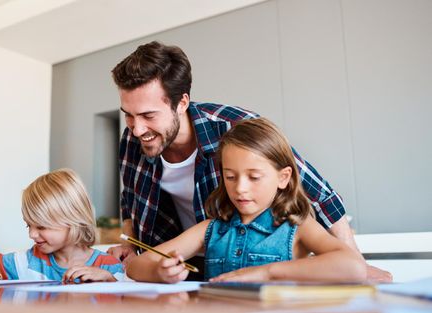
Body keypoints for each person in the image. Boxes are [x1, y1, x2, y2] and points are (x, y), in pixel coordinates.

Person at [109, 41, 391, 282]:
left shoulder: (235, 128)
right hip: (182, 269)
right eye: (128, 115)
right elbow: (130, 198)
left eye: (148, 116)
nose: (136, 129)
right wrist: (130, 243)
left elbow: (317, 192)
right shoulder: (132, 139)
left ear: (181, 103)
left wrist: (355, 264)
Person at [126, 118, 366, 283]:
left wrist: (269, 273)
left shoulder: (298, 227)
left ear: (283, 178)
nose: (240, 188)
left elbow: (353, 266)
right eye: (230, 177)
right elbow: (137, 265)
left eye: (254, 177)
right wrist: (159, 271)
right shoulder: (211, 229)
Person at [0, 168, 123, 282]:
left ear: (74, 220)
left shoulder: (109, 266)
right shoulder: (24, 262)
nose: (31, 234)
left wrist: (109, 280)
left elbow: (125, 303)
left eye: (41, 227)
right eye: (28, 225)